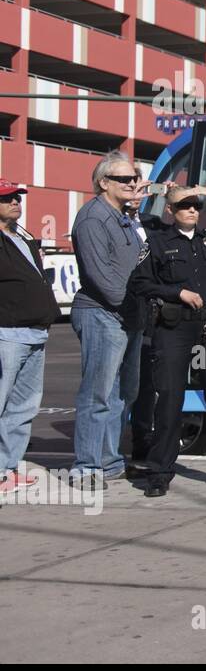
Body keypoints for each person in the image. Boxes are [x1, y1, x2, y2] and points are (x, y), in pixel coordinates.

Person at [129, 185, 206, 497]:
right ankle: (159, 472)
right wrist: (177, 293)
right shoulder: (157, 243)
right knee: (170, 398)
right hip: (174, 327)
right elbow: (140, 283)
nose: (192, 210)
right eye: (184, 205)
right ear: (170, 211)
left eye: (196, 205)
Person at [69, 153, 151, 489]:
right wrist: (134, 307)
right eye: (124, 180)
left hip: (129, 315)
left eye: (134, 178)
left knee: (124, 393)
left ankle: (109, 461)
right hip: (102, 314)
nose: (132, 184)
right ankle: (86, 466)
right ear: (104, 183)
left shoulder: (124, 217)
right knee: (97, 394)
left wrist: (136, 209)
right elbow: (103, 279)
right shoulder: (92, 219)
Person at [0, 180, 62, 494]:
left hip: (35, 333)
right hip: (7, 334)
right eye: (6, 198)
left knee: (23, 407)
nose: (15, 202)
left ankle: (7, 469)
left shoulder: (22, 236)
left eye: (16, 197)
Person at [121, 169, 173, 475]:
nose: (138, 192)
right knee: (122, 381)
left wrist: (169, 195)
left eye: (142, 187)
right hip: (124, 309)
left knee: (146, 379)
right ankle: (114, 445)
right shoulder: (115, 220)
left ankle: (142, 436)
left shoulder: (153, 225)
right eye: (132, 187)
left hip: (151, 311)